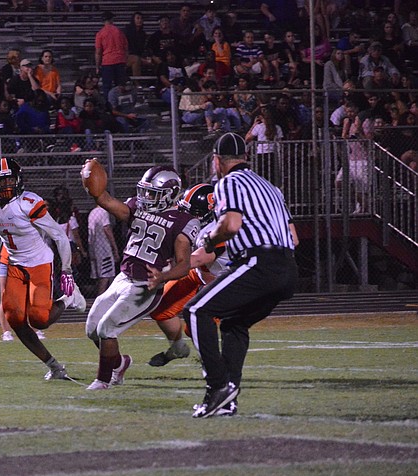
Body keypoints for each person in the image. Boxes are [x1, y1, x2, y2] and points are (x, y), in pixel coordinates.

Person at [183, 132, 298, 418]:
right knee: (234, 323)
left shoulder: (229, 182)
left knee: (196, 310)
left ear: (217, 160)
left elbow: (231, 225)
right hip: (287, 267)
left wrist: (210, 240)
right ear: (245, 156)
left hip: (259, 262)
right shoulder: (270, 187)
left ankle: (218, 386)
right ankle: (227, 401)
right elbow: (294, 237)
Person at [82, 164, 197, 390]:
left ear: (171, 194)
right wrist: (91, 185)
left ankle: (104, 380)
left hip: (146, 285)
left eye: (153, 193)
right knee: (92, 328)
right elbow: (105, 200)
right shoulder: (138, 207)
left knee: (106, 329)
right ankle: (119, 364)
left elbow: (184, 265)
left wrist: (163, 277)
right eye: (145, 191)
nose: (146, 197)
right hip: (123, 278)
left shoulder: (182, 221)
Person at [0, 158, 85, 381]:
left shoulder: (28, 203)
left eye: (11, 180)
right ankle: (54, 366)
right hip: (15, 265)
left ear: (18, 180)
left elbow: (59, 236)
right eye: (2, 181)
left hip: (39, 263)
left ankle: (69, 298)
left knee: (39, 320)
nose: (7, 185)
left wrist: (66, 271)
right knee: (14, 319)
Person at [146, 183, 224, 369]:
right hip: (200, 273)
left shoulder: (219, 230)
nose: (185, 215)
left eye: (191, 212)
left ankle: (213, 364)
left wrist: (164, 274)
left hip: (221, 283)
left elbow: (196, 259)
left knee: (195, 325)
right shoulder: (198, 225)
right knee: (158, 307)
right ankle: (177, 348)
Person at [244, 106, 283, 184]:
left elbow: (247, 138)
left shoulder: (259, 127)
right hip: (272, 154)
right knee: (272, 177)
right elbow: (280, 141)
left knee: (261, 177)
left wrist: (253, 125)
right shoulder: (277, 127)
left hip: (261, 154)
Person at [95, 11, 128, 99]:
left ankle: (108, 104)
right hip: (120, 60)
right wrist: (125, 61)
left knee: (107, 86)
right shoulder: (119, 31)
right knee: (120, 86)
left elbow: (98, 52)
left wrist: (97, 66)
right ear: (112, 19)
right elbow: (126, 48)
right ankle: (120, 103)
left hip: (107, 61)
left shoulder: (100, 33)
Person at [87, 203, 118, 296]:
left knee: (101, 274)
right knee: (106, 274)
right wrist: (114, 247)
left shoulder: (92, 212)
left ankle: (105, 296)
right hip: (104, 247)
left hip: (94, 246)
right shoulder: (103, 212)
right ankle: (101, 297)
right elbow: (107, 228)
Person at [124, 11, 149, 80]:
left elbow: (143, 49)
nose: (140, 20)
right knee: (136, 59)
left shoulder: (143, 34)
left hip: (138, 55)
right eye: (138, 18)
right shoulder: (127, 32)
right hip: (126, 56)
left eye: (141, 18)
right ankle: (137, 83)